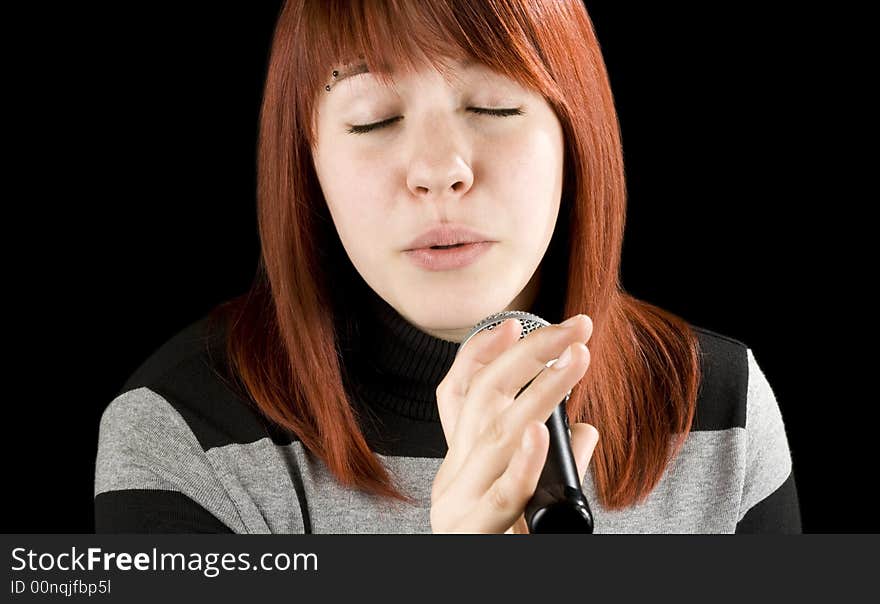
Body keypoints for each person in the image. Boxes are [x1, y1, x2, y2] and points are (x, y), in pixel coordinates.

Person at [94, 0, 801, 534]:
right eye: (373, 117)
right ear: (306, 161)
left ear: (574, 134)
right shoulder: (185, 433)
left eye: (492, 103)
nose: (440, 172)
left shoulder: (717, 407)